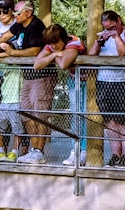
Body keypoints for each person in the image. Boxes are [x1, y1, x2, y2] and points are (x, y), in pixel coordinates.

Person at [0, 0, 48, 162]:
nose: (14, 16)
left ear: (28, 13)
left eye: (17, 13)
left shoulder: (36, 25)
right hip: (28, 77)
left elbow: (35, 51)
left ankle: (38, 151)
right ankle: (33, 150)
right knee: (27, 116)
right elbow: (6, 36)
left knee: (39, 114)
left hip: (41, 75)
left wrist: (10, 53)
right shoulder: (19, 25)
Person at [88, 10, 125, 168]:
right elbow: (91, 55)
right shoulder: (103, 35)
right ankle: (115, 155)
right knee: (110, 121)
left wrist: (116, 36)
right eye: (106, 27)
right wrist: (98, 42)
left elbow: (123, 53)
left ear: (118, 20)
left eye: (112, 26)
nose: (109, 30)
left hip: (124, 81)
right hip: (104, 80)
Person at [32, 24, 86, 165]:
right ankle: (74, 150)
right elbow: (37, 64)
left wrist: (52, 56)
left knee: (85, 115)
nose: (53, 46)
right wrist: (55, 54)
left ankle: (84, 151)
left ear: (63, 38)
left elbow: (64, 64)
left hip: (88, 82)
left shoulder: (74, 42)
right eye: (50, 44)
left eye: (56, 43)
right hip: (74, 80)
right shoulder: (53, 47)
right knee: (75, 115)